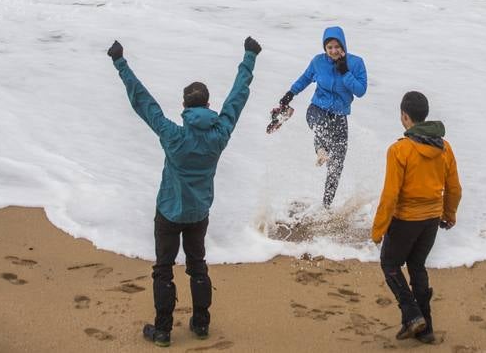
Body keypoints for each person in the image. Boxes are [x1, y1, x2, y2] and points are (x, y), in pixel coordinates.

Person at [107, 35, 262, 348]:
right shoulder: (220, 133)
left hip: (168, 211)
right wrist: (250, 57)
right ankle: (201, 324)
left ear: (184, 107)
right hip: (198, 213)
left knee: (163, 269)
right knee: (197, 266)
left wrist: (119, 62)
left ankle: (163, 330)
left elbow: (143, 102)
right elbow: (237, 98)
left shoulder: (172, 135)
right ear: (207, 105)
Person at [372, 91, 462, 344]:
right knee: (417, 265)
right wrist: (449, 214)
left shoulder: (400, 149)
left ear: (404, 116)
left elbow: (390, 195)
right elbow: (454, 187)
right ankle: (426, 328)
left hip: (405, 220)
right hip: (432, 219)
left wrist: (378, 230)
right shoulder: (445, 147)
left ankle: (412, 315)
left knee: (390, 265)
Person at [278, 26, 367, 207]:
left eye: (336, 46)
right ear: (324, 48)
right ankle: (320, 150)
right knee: (321, 128)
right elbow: (305, 78)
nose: (333, 51)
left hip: (340, 115)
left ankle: (326, 204)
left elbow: (360, 91)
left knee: (337, 163)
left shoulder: (356, 63)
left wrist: (345, 72)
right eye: (329, 47)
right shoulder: (318, 62)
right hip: (317, 109)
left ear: (343, 45)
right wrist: (290, 94)